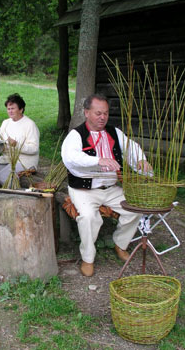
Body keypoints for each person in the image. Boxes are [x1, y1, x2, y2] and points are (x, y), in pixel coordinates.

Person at [61, 94, 152, 277]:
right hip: (84, 190)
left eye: (106, 113)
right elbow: (71, 157)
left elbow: (131, 148)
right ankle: (88, 258)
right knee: (88, 217)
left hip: (111, 189)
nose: (102, 117)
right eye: (98, 113)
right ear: (87, 112)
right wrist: (98, 160)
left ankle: (120, 243)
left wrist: (141, 160)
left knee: (135, 208)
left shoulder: (114, 132)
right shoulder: (76, 135)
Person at [0, 93, 40, 190]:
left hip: (25, 161)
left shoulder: (30, 125)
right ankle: (3, 197)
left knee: (2, 177)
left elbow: (34, 149)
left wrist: (16, 145)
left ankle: (21, 195)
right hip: (7, 159)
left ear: (21, 109)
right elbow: (1, 139)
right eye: (8, 109)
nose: (10, 111)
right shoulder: (6, 123)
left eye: (13, 108)